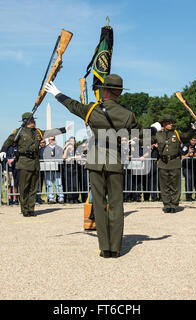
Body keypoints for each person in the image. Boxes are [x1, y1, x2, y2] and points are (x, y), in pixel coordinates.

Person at [45, 74, 147, 258]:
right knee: (116, 204)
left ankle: (104, 247)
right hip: (115, 159)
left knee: (99, 204)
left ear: (104, 90)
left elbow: (73, 106)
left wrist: (57, 93)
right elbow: (143, 134)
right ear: (119, 92)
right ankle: (115, 247)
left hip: (95, 159)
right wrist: (154, 129)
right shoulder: (127, 114)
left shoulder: (93, 110)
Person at [2, 113, 68, 217]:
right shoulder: (19, 131)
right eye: (31, 120)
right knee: (24, 187)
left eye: (33, 119)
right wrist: (3, 150)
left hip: (35, 162)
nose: (34, 121)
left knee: (33, 187)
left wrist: (64, 129)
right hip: (24, 162)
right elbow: (8, 141)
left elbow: (50, 132)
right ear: (26, 121)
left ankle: (31, 209)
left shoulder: (38, 132)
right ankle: (24, 209)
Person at [44, 136, 65, 204]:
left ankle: (60, 198)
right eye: (51, 139)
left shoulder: (59, 148)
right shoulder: (45, 148)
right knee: (49, 184)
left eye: (54, 139)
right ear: (49, 140)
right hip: (48, 169)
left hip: (57, 168)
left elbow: (61, 157)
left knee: (58, 184)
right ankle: (51, 198)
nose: (53, 141)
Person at [181, 136, 196, 201]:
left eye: (195, 140)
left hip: (195, 166)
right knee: (189, 180)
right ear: (190, 140)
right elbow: (182, 156)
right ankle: (188, 196)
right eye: (192, 140)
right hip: (187, 166)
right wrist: (188, 153)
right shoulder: (186, 146)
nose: (193, 142)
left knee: (195, 181)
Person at [63, 137, 79, 203]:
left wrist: (72, 158)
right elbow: (63, 157)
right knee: (68, 184)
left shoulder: (76, 149)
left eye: (73, 141)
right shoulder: (66, 149)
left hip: (75, 169)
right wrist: (66, 148)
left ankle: (75, 198)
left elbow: (79, 156)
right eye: (71, 141)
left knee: (75, 184)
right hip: (67, 169)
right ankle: (70, 198)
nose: (72, 142)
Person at [5, 141, 19, 205]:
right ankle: (9, 198)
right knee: (8, 184)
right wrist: (8, 159)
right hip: (8, 169)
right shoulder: (7, 147)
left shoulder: (18, 147)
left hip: (16, 168)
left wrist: (14, 159)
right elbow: (4, 156)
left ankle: (15, 199)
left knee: (15, 184)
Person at [36, 139, 46, 204]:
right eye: (41, 143)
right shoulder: (38, 150)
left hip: (47, 169)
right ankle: (38, 198)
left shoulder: (47, 150)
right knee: (39, 184)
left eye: (43, 142)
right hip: (39, 169)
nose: (42, 144)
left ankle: (50, 198)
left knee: (48, 183)